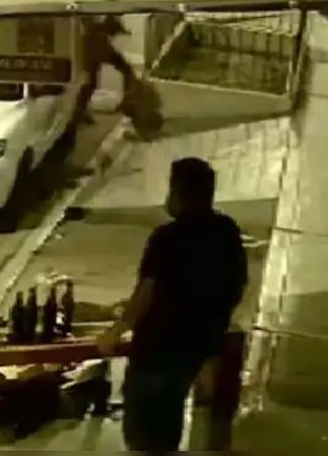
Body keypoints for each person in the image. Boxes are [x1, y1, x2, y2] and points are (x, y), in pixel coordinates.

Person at [97, 157, 247, 452]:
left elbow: (146, 294)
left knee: (143, 432)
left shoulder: (167, 238)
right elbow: (235, 288)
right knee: (169, 426)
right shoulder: (225, 232)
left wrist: (116, 331)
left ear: (179, 193)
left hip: (156, 350)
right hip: (192, 353)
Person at [77, 15, 138, 124]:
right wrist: (126, 70)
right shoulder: (99, 38)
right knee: (89, 83)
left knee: (90, 83)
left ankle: (80, 110)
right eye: (114, 33)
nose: (114, 37)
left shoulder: (96, 34)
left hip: (85, 61)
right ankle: (79, 110)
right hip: (84, 62)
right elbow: (113, 57)